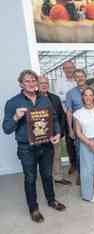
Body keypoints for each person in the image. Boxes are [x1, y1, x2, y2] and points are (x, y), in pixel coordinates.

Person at [2, 70, 66, 223]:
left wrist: (57, 132)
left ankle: (51, 200)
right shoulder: (13, 103)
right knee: (30, 178)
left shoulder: (45, 100)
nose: (31, 84)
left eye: (33, 81)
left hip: (46, 146)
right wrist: (16, 117)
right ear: (21, 84)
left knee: (47, 175)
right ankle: (33, 208)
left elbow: (54, 119)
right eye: (27, 81)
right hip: (26, 148)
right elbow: (6, 129)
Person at [38, 75, 71, 186]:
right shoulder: (33, 98)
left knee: (56, 156)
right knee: (43, 159)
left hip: (55, 134)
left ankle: (57, 177)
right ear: (37, 84)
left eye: (46, 83)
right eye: (41, 83)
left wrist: (60, 132)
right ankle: (46, 179)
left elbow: (61, 116)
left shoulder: (55, 98)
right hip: (40, 135)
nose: (44, 85)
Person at [55, 61, 78, 175]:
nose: (69, 70)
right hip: (66, 114)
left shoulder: (77, 79)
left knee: (81, 138)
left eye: (71, 67)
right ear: (63, 70)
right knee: (70, 140)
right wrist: (71, 96)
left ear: (74, 68)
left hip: (79, 115)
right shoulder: (59, 82)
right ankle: (73, 163)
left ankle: (81, 162)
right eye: (66, 68)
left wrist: (68, 97)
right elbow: (58, 97)